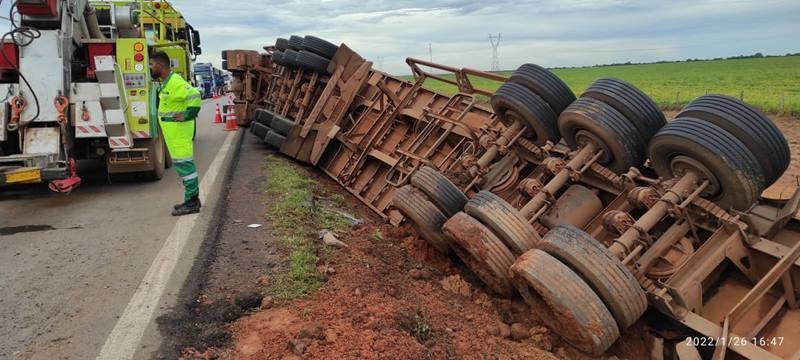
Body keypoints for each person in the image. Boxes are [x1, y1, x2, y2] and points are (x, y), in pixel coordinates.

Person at [149, 51, 203, 216]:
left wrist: (188, 114)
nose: (150, 68)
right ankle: (190, 200)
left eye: (151, 64)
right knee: (183, 168)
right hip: (174, 136)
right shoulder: (167, 83)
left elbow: (195, 95)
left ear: (160, 65)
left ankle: (192, 202)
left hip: (179, 135)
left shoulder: (175, 83)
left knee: (186, 169)